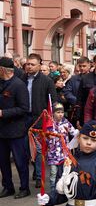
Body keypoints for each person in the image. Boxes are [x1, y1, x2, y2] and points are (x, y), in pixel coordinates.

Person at [19, 54, 58, 189]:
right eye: (27, 64)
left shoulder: (46, 81)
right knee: (24, 148)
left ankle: (39, 176)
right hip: (22, 118)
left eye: (32, 64)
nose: (29, 66)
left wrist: (50, 117)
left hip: (39, 119)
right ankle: (27, 175)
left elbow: (53, 100)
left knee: (39, 149)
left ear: (39, 65)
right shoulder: (21, 79)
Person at [0, 64, 30, 199]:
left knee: (20, 161)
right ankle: (8, 186)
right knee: (3, 161)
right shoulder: (1, 83)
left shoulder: (18, 85)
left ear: (3, 69)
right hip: (1, 131)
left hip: (16, 130)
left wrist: (3, 113)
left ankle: (24, 188)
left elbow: (24, 108)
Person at [46, 103, 77, 191]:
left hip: (65, 154)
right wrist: (49, 138)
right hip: (53, 154)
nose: (60, 114)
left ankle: (64, 189)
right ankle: (53, 190)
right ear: (53, 113)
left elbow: (73, 132)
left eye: (62, 112)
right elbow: (44, 139)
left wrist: (80, 134)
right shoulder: (49, 124)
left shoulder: (66, 122)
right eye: (58, 112)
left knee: (65, 172)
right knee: (53, 173)